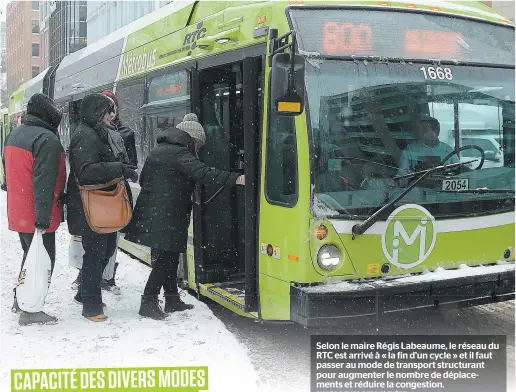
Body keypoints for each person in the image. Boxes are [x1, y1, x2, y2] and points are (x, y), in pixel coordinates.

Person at [124, 113, 245, 320]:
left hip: (159, 212)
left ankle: (172, 299)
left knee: (169, 257)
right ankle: (148, 301)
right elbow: (204, 174)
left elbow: (144, 180)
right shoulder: (180, 153)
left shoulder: (160, 150)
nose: (198, 149)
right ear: (193, 140)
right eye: (198, 145)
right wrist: (237, 178)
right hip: (167, 214)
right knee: (165, 260)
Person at [66, 93, 138, 322]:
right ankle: (91, 304)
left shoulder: (92, 132)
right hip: (90, 206)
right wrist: (119, 168)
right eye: (108, 111)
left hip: (99, 204)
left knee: (104, 251)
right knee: (97, 253)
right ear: (97, 113)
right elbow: (86, 172)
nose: (112, 115)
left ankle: (83, 292)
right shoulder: (85, 136)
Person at [4, 93, 66, 325]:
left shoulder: (15, 134)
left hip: (20, 211)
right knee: (43, 261)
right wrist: (43, 219)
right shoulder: (46, 139)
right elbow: (44, 183)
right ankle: (31, 310)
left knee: (30, 257)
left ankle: (20, 300)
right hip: (38, 213)